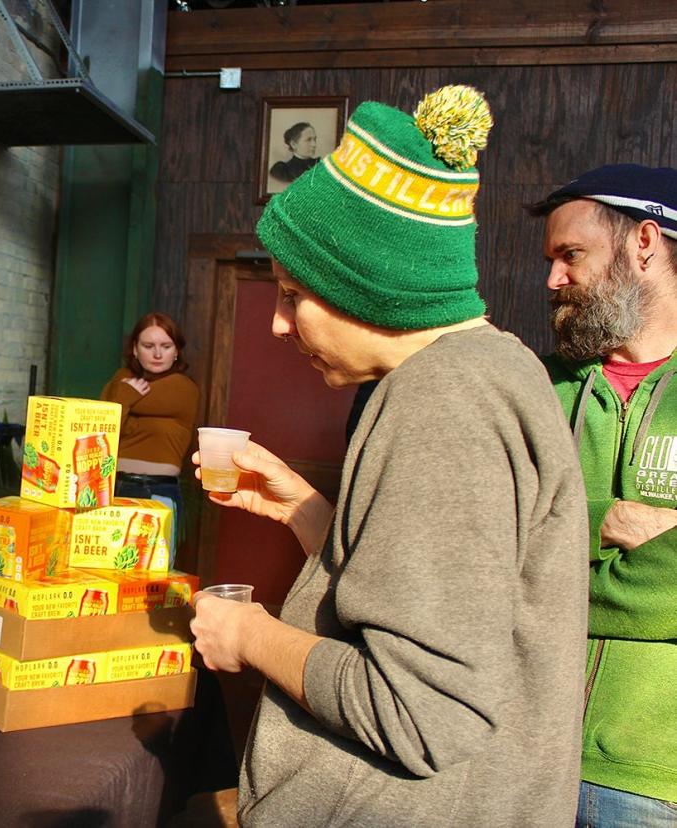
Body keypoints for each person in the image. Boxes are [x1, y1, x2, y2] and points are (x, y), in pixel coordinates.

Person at [189, 86, 589, 826]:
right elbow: (443, 602)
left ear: (363, 284)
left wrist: (247, 634)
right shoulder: (492, 369)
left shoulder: (444, 401)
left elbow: (418, 710)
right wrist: (311, 514)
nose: (280, 326)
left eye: (292, 295)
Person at [529, 165, 677, 826]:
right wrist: (605, 520)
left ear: (644, 242)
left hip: (655, 775)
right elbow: (487, 540)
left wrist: (549, 582)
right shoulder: (537, 389)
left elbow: (527, 560)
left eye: (571, 255)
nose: (553, 279)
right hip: (525, 754)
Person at [100, 312, 199, 544]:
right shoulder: (123, 381)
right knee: (108, 572)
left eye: (165, 346)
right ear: (135, 349)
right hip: (113, 487)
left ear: (176, 351)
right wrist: (123, 399)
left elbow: (108, 406)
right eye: (148, 345)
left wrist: (122, 397)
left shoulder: (184, 388)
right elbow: (102, 423)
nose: (157, 354)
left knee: (154, 574)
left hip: (157, 490)